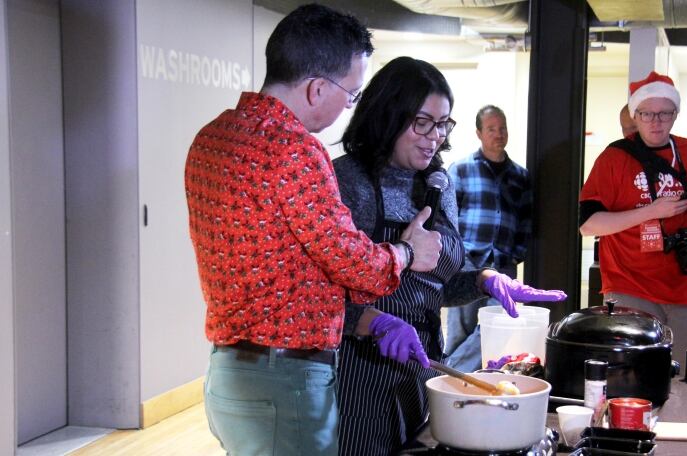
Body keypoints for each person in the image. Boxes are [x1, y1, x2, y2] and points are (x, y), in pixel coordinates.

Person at [184, 6, 442, 456]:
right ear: (317, 87)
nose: (349, 105)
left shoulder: (211, 137)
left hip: (228, 374)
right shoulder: (295, 149)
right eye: (352, 93)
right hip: (286, 381)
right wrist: (406, 251)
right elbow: (354, 264)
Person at [332, 57, 566, 456]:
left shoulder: (437, 183)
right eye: (421, 122)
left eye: (443, 124)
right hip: (361, 370)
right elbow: (317, 297)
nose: (434, 137)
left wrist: (482, 280)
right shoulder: (347, 181)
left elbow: (433, 287)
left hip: (423, 364)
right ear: (387, 115)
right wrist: (372, 323)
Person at [579, 71, 687, 375]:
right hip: (629, 285)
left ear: (675, 115)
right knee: (631, 376)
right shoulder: (613, 159)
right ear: (636, 115)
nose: (656, 121)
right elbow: (588, 224)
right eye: (647, 113)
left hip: (686, 286)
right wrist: (651, 211)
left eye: (664, 113)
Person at [443, 105, 537, 373]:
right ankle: (455, 387)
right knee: (460, 332)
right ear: (479, 133)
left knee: (498, 325)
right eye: (491, 129)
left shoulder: (520, 175)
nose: (498, 134)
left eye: (502, 128)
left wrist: (518, 253)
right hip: (466, 265)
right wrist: (454, 254)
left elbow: (526, 220)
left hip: (503, 266)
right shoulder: (460, 170)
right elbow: (447, 218)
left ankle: (448, 373)